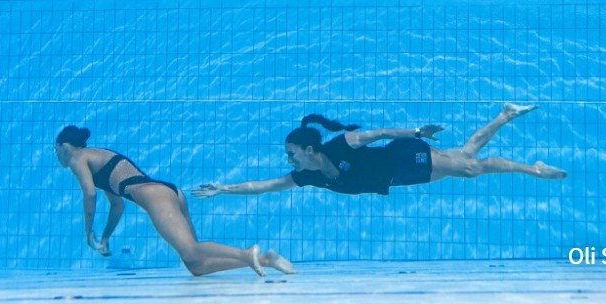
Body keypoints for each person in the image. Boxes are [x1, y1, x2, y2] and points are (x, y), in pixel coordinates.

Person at [54, 125, 294, 277]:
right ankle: (265, 259)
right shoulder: (98, 157)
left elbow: (89, 194)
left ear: (64, 146)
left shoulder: (79, 157)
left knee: (191, 250)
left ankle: (247, 253)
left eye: (56, 151)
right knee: (196, 264)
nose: (58, 157)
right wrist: (105, 236)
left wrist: (88, 231)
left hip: (155, 195)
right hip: (169, 193)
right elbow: (117, 205)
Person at [192, 103, 567, 198]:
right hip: (397, 177)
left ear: (308, 148)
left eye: (292, 153)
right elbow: (264, 186)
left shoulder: (341, 144)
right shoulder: (307, 175)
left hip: (402, 156)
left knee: (470, 167)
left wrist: (418, 131)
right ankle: (505, 114)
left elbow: (380, 132)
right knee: (467, 156)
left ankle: (530, 168)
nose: (288, 160)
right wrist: (224, 188)